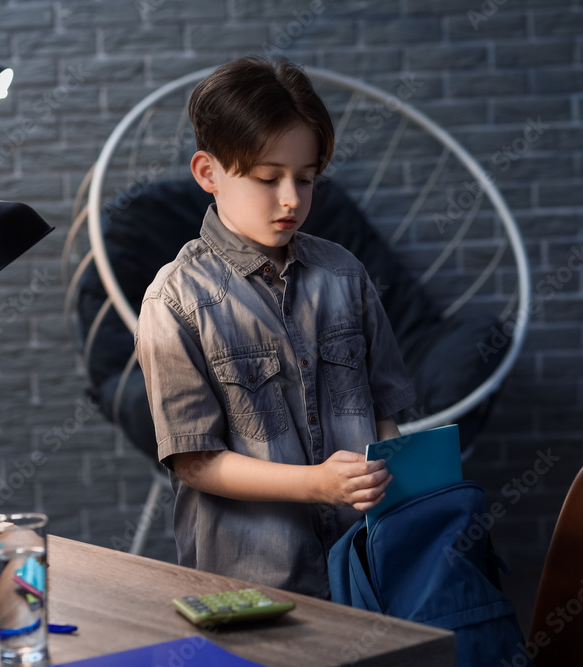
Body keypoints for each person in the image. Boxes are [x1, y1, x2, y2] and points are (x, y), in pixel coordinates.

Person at [135, 56, 416, 598]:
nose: (291, 199)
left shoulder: (344, 275)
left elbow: (386, 419)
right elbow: (196, 461)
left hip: (367, 569)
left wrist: (395, 498)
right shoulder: (175, 300)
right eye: (268, 178)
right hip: (253, 584)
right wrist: (316, 485)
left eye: (306, 179)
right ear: (208, 173)